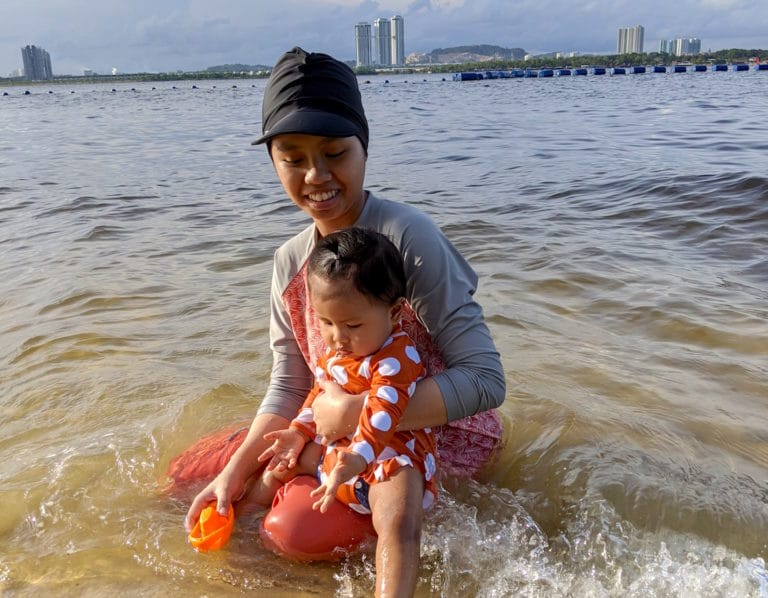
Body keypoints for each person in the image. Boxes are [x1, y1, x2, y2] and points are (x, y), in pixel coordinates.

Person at [182, 46, 505, 596]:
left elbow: (485, 380)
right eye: (293, 158)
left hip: (429, 436)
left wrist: (354, 413)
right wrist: (233, 473)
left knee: (291, 531)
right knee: (194, 475)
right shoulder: (290, 261)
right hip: (331, 424)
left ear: (363, 147)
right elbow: (290, 385)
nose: (316, 175)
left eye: (335, 153)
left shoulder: (408, 237)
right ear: (273, 161)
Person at [249, 228, 437, 580]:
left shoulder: (397, 357)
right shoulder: (337, 353)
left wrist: (359, 457)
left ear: (395, 312)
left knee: (398, 525)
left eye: (352, 324)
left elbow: (384, 411)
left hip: (388, 459)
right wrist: (298, 432)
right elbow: (318, 396)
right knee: (278, 466)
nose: (337, 337)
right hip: (338, 456)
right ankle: (240, 523)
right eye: (326, 322)